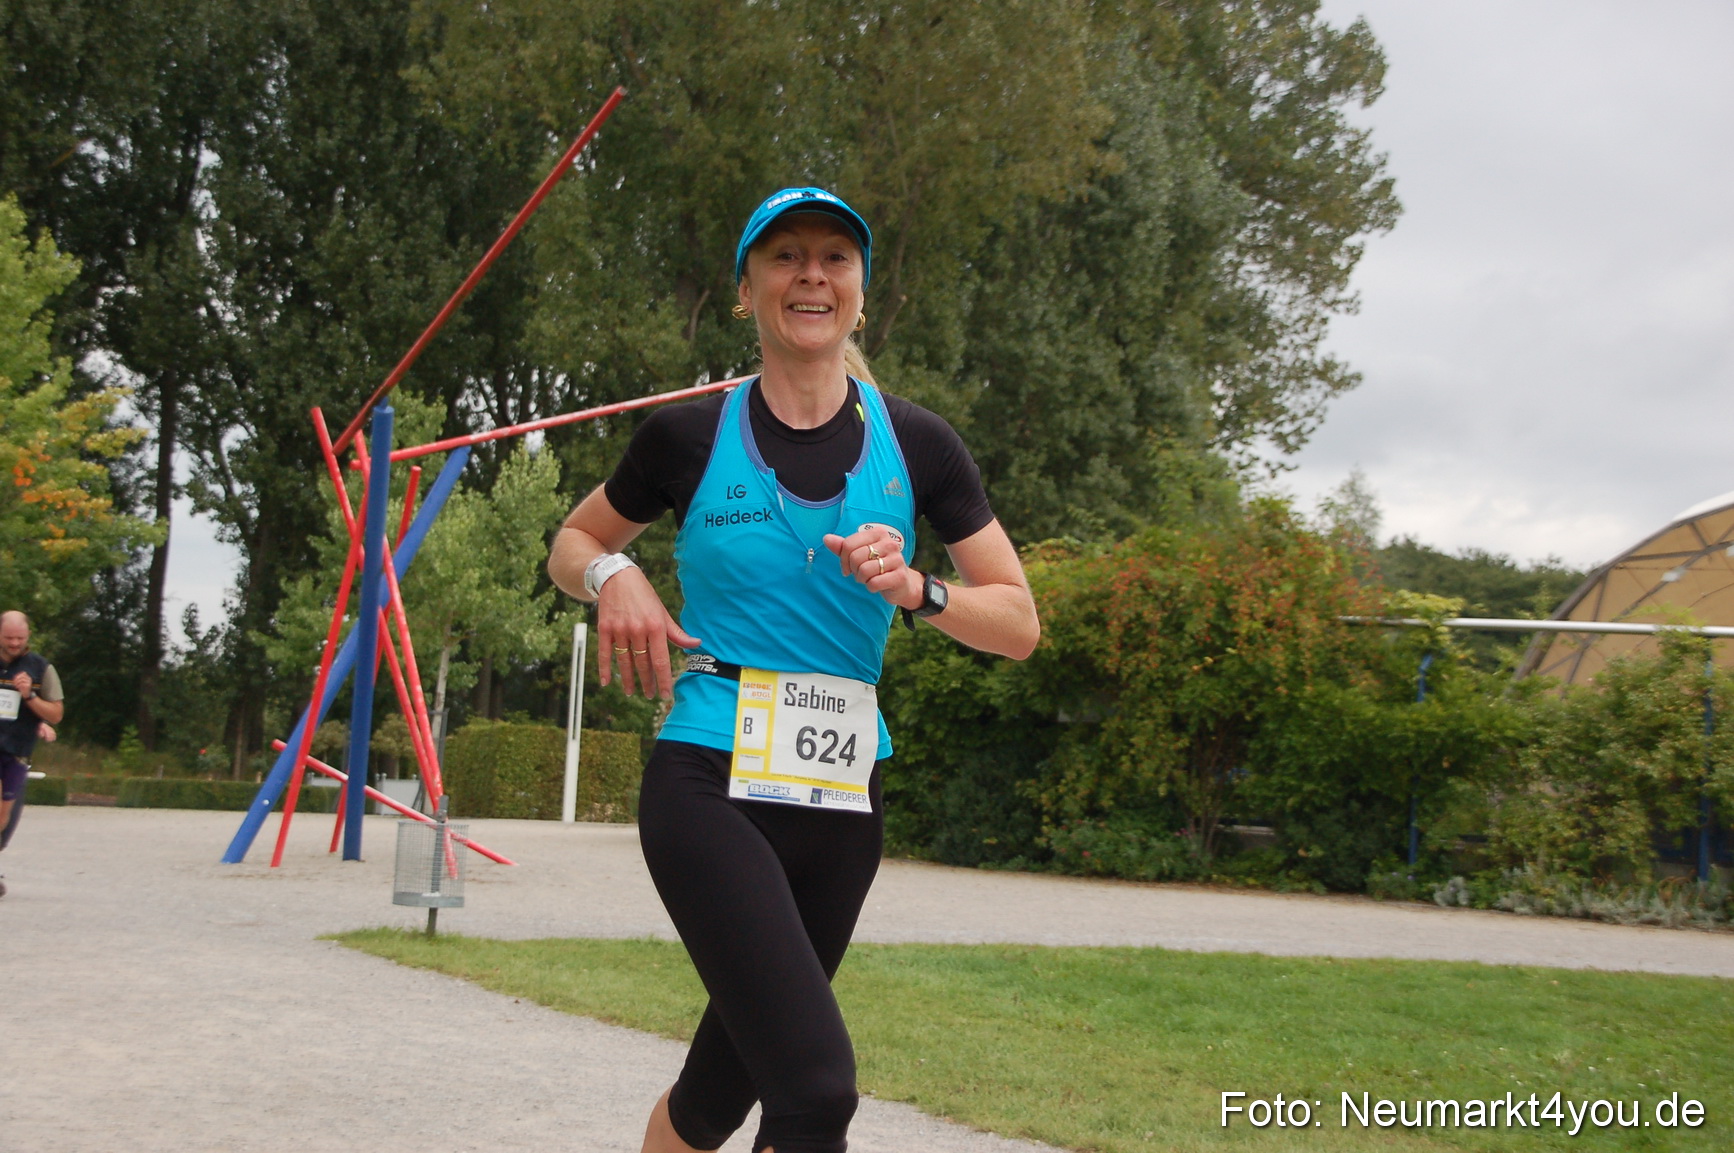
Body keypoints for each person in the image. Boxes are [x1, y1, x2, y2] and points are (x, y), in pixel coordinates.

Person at [550, 187, 1038, 1153]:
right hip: (709, 778)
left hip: (844, 800)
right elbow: (573, 541)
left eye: (834, 257)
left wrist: (917, 588)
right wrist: (615, 575)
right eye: (785, 256)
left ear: (859, 290)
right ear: (746, 290)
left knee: (714, 1098)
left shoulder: (919, 443)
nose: (811, 274)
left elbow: (1018, 622)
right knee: (815, 1090)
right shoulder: (688, 438)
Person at [1, 610, 66, 894]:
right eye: (8, 638)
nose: (14, 643)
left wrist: (30, 696)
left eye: (20, 638)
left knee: (4, 818)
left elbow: (56, 713)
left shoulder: (41, 668)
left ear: (28, 635)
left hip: (17, 750)